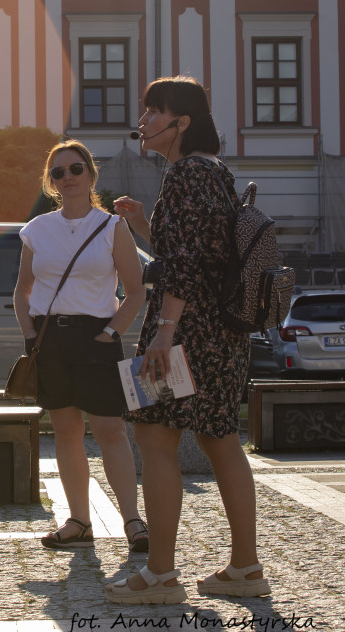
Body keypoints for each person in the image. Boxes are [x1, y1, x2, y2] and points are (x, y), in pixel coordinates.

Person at [107, 76, 269, 603]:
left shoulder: (182, 176)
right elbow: (197, 249)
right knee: (221, 440)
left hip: (180, 331)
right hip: (221, 335)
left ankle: (159, 576)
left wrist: (165, 333)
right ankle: (245, 568)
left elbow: (186, 263)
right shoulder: (215, 173)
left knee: (155, 438)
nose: (145, 120)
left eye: (156, 111)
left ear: (182, 123)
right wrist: (143, 227)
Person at [14, 139, 148, 553]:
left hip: (97, 337)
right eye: (58, 172)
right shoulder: (37, 229)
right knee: (68, 432)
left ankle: (133, 521)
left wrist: (111, 333)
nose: (67, 178)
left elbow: (136, 290)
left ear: (90, 174)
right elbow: (22, 290)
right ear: (50, 182)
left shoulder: (111, 226)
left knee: (110, 430)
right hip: (50, 338)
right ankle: (79, 521)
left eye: (75, 169)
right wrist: (32, 335)